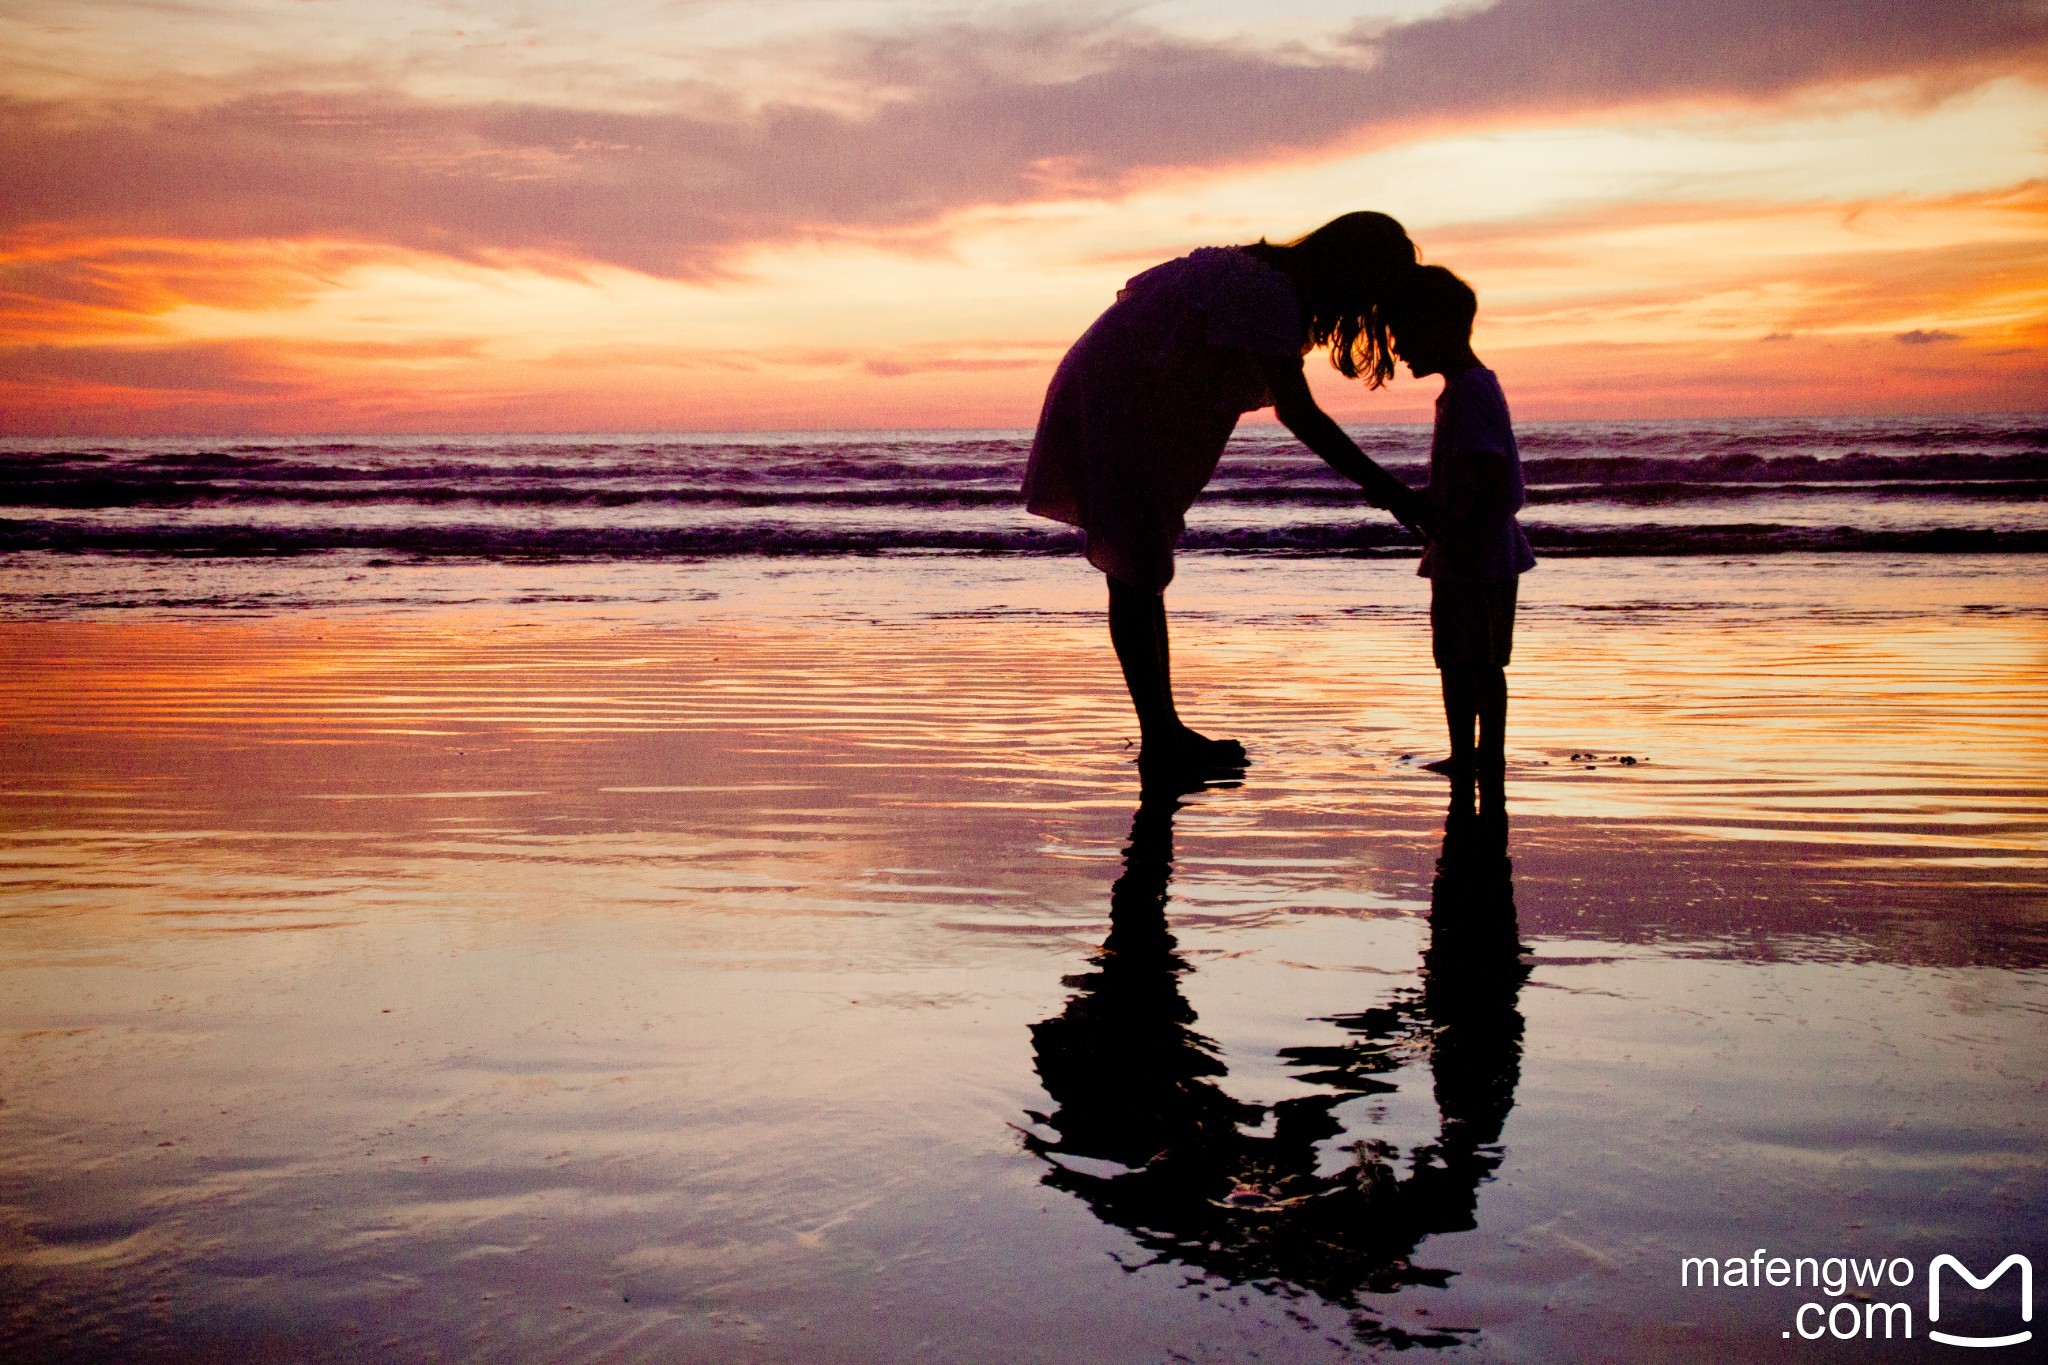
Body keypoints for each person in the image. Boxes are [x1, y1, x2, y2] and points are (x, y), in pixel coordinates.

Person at [1023, 213, 1432, 776]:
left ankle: (1164, 731)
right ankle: (1161, 737)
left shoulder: (1261, 278)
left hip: (1126, 391)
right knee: (1136, 560)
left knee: (1141, 563)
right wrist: (1393, 493)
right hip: (1119, 397)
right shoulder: (1267, 294)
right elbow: (1300, 413)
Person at [1383, 265, 1535, 808]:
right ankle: (1477, 754)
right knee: (1478, 660)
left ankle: (1473, 755)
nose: (1396, 349)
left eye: (1402, 333)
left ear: (1436, 327)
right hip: (1482, 549)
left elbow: (1483, 471)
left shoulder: (1469, 392)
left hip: (1473, 553)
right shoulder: (1470, 388)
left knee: (1464, 659)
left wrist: (1448, 523)